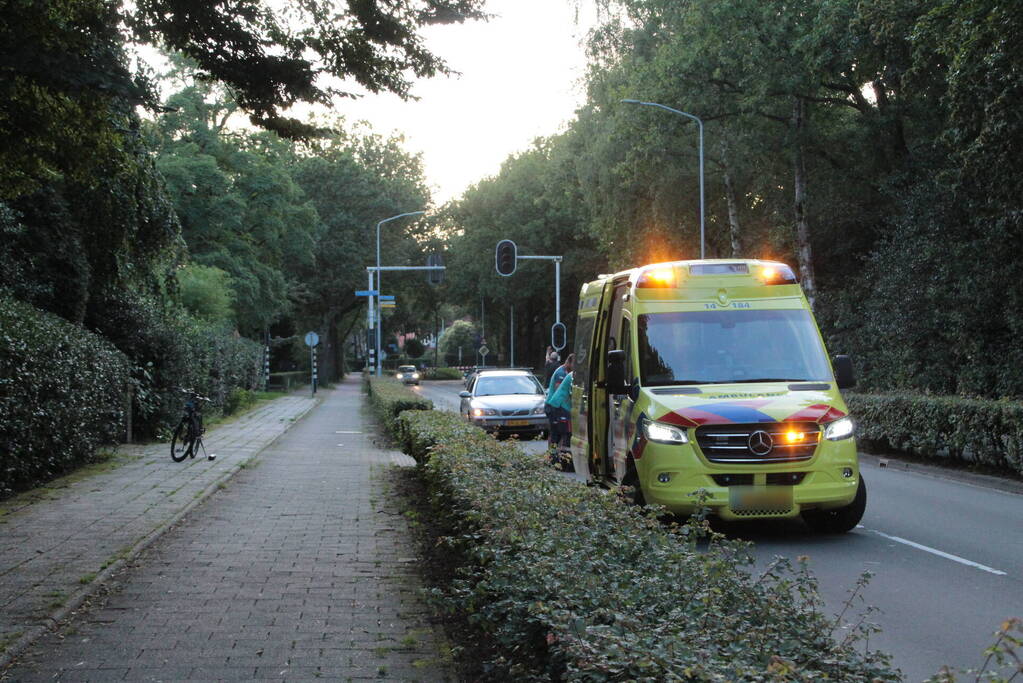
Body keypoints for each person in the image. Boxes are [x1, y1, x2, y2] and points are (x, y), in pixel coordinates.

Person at [546, 368, 574, 469]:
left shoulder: (571, 374)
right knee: (565, 433)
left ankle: (553, 457)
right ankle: (562, 460)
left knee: (556, 435)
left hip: (558, 405)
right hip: (560, 406)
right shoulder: (573, 376)